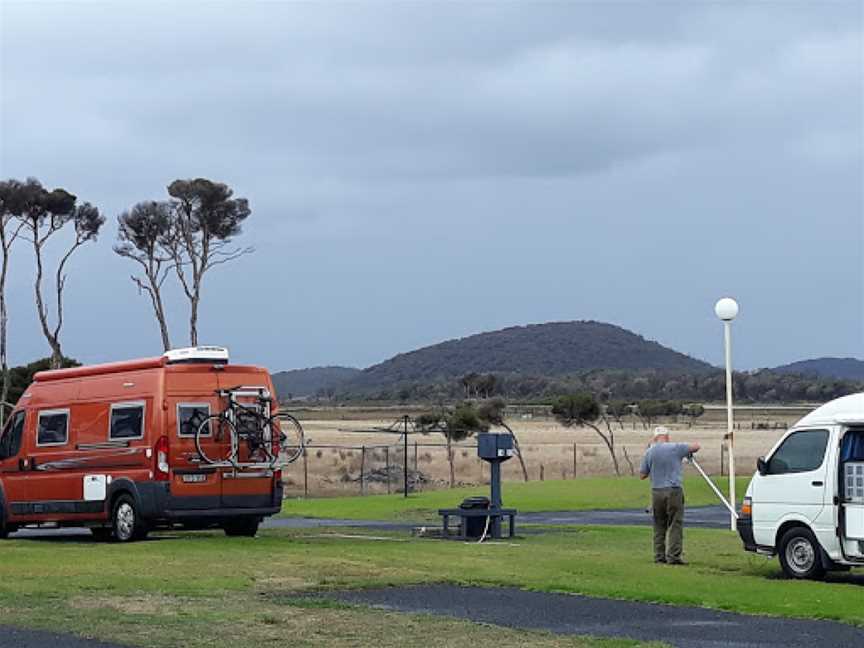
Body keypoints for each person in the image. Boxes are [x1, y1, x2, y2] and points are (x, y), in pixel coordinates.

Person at [639, 426, 700, 565]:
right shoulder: (676, 447)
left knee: (659, 524)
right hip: (674, 490)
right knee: (675, 523)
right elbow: (696, 446)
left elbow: (642, 474)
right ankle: (673, 556)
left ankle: (659, 556)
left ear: (654, 438)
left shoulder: (650, 451)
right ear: (667, 436)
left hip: (657, 491)